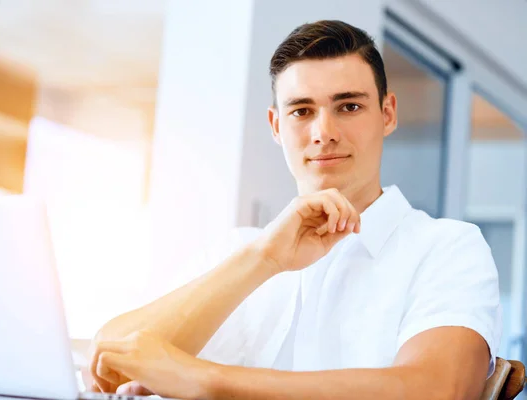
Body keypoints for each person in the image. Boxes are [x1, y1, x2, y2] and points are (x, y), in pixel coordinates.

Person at [88, 20, 501, 400]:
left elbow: (438, 390)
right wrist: (263, 259)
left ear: (387, 114)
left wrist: (205, 380)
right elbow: (107, 368)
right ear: (275, 125)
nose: (324, 133)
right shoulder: (239, 250)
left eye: (349, 106)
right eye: (302, 111)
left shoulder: (447, 248)